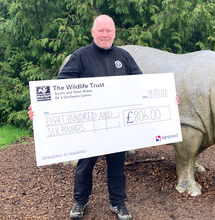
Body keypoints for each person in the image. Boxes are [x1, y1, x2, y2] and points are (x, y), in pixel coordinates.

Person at [29, 15, 141, 220]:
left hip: (116, 126)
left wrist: (166, 98)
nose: (105, 34)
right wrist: (40, 108)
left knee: (117, 166)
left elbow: (142, 86)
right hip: (89, 127)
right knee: (84, 166)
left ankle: (117, 203)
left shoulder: (124, 57)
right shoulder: (80, 56)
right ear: (93, 32)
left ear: (114, 32)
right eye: (100, 30)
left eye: (108, 30)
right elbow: (60, 87)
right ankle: (80, 202)